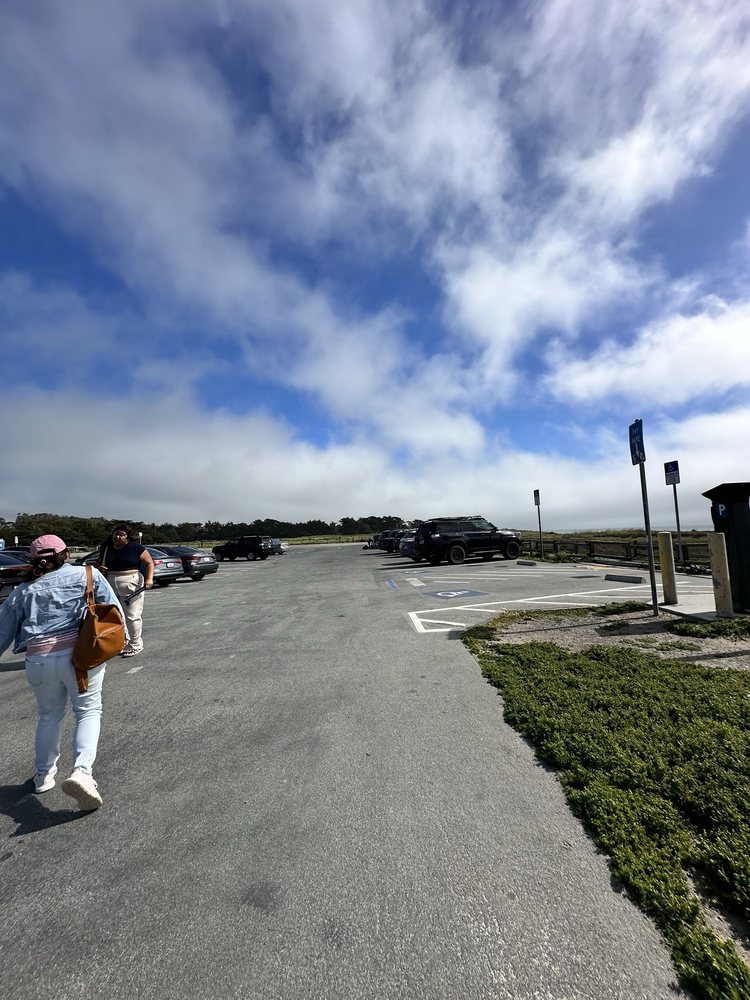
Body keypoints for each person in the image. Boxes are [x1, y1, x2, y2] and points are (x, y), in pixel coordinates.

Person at [0, 534, 128, 810]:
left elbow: (3, 631)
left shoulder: (24, 589)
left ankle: (44, 775)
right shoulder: (88, 574)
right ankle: (82, 772)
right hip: (80, 656)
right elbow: (114, 608)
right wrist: (123, 640)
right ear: (65, 554)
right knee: (88, 711)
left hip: (38, 659)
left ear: (33, 560)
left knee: (48, 715)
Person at [96, 524, 154, 658]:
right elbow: (98, 562)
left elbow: (149, 562)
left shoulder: (136, 548)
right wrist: (100, 567)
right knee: (116, 615)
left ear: (127, 536)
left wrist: (149, 579)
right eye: (115, 533)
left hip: (131, 581)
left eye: (121, 534)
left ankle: (136, 644)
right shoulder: (106, 548)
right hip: (110, 581)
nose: (117, 536)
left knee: (132, 615)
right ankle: (123, 642)